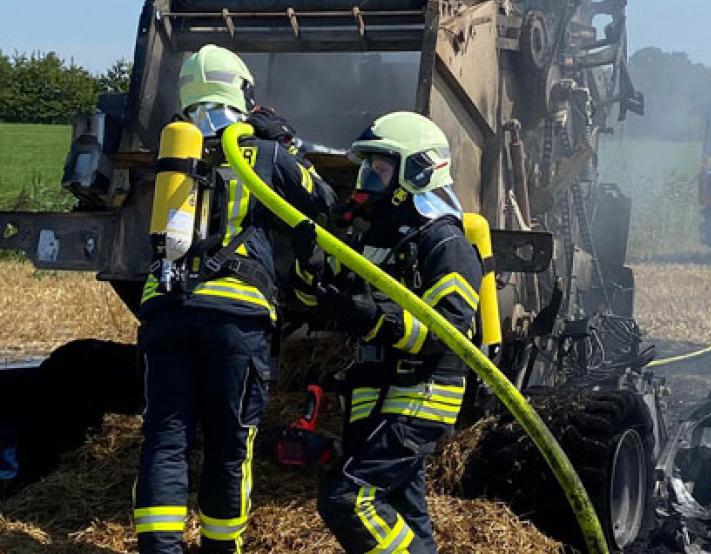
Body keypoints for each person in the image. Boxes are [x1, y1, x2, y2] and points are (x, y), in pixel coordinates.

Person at [134, 44, 335, 554]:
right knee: (229, 442)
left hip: (165, 310)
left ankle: (160, 549)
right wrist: (288, 144)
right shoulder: (264, 151)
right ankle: (222, 549)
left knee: (165, 436)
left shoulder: (174, 148)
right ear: (242, 91)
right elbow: (322, 204)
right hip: (234, 317)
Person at [303, 111, 483, 553]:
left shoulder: (444, 244)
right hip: (375, 396)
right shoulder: (374, 241)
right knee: (403, 508)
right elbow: (330, 297)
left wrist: (371, 315)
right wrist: (311, 267)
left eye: (380, 170)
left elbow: (451, 330)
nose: (367, 181)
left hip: (419, 395)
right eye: (367, 169)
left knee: (349, 497)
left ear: (416, 172)